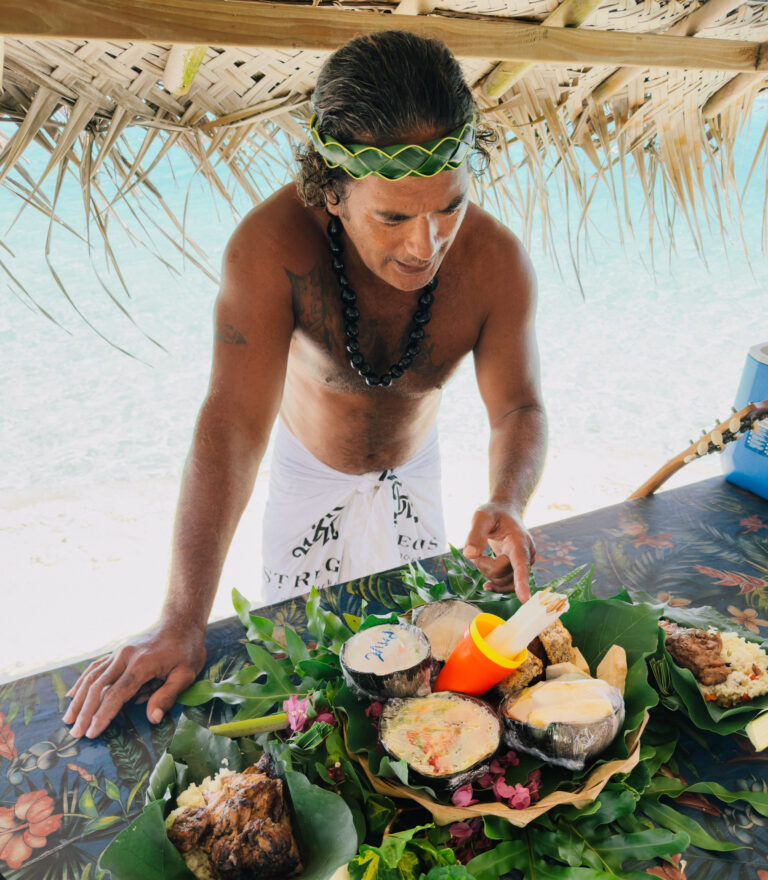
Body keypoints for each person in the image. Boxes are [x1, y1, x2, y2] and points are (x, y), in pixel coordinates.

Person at [64, 30, 547, 740]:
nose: (426, 244)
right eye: (392, 216)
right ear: (331, 192)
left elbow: (518, 406)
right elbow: (231, 425)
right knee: (307, 690)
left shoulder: (496, 261)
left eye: (449, 206)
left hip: (416, 472)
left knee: (424, 684)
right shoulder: (270, 248)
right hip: (307, 474)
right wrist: (182, 618)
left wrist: (507, 499)